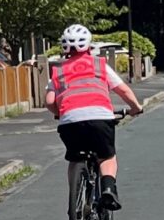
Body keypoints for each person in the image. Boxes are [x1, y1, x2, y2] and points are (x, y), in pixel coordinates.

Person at [47, 23, 140, 208]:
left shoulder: (58, 71)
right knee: (107, 157)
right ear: (89, 46)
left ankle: (75, 197)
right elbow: (123, 91)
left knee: (74, 159)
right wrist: (135, 107)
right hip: (100, 118)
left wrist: (60, 113)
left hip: (70, 123)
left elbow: (49, 102)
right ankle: (108, 189)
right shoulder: (99, 65)